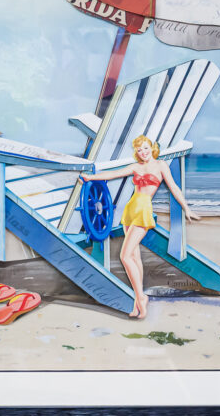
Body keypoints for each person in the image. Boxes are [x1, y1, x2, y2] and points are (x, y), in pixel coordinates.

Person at [81, 135, 200, 319]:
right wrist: (90, 178)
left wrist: (186, 208)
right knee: (134, 257)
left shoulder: (161, 165)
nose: (143, 152)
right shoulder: (136, 167)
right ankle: (138, 301)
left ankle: (141, 298)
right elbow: (113, 174)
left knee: (124, 256)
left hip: (143, 210)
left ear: (151, 148)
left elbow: (174, 188)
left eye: (145, 148)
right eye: (139, 150)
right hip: (130, 210)